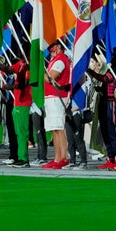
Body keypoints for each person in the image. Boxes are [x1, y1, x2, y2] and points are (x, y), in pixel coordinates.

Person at [86, 52, 116, 170]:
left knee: (112, 131)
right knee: (105, 131)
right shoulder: (109, 67)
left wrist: (91, 72)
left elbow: (106, 79)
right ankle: (110, 157)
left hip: (112, 102)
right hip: (104, 101)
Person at [0, 55, 32, 168]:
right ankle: (19, 156)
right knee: (18, 132)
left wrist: (11, 86)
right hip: (17, 102)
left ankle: (24, 158)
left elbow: (25, 83)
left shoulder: (29, 65)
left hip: (24, 102)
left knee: (22, 132)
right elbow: (7, 69)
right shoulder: (21, 63)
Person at [41, 41, 71, 170]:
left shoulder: (60, 60)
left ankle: (64, 157)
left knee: (59, 128)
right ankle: (57, 157)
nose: (50, 48)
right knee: (54, 129)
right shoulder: (54, 60)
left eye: (53, 45)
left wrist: (38, 72)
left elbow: (51, 78)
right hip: (50, 97)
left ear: (59, 46)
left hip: (57, 97)